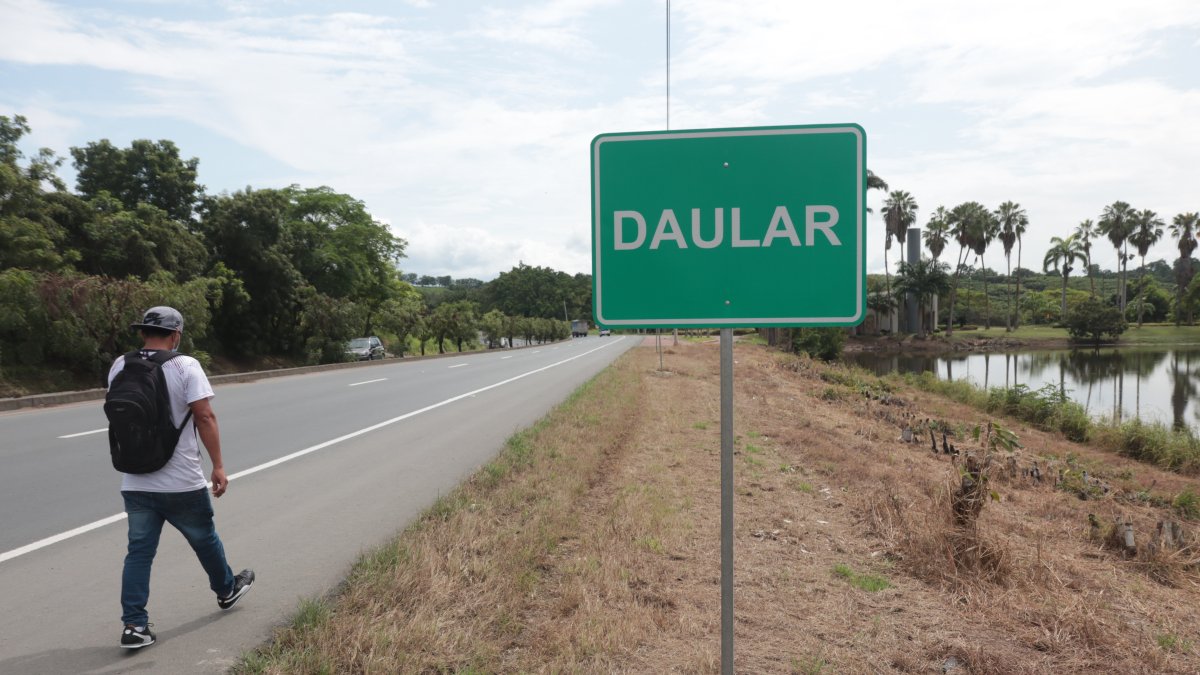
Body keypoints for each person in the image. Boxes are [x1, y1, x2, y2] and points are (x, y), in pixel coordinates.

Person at [110, 306, 254, 650]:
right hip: (181, 481)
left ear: (144, 333)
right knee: (204, 539)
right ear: (176, 335)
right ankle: (226, 589)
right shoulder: (186, 365)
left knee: (139, 552)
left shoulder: (120, 365)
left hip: (136, 480)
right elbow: (205, 417)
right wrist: (218, 466)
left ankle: (134, 626)